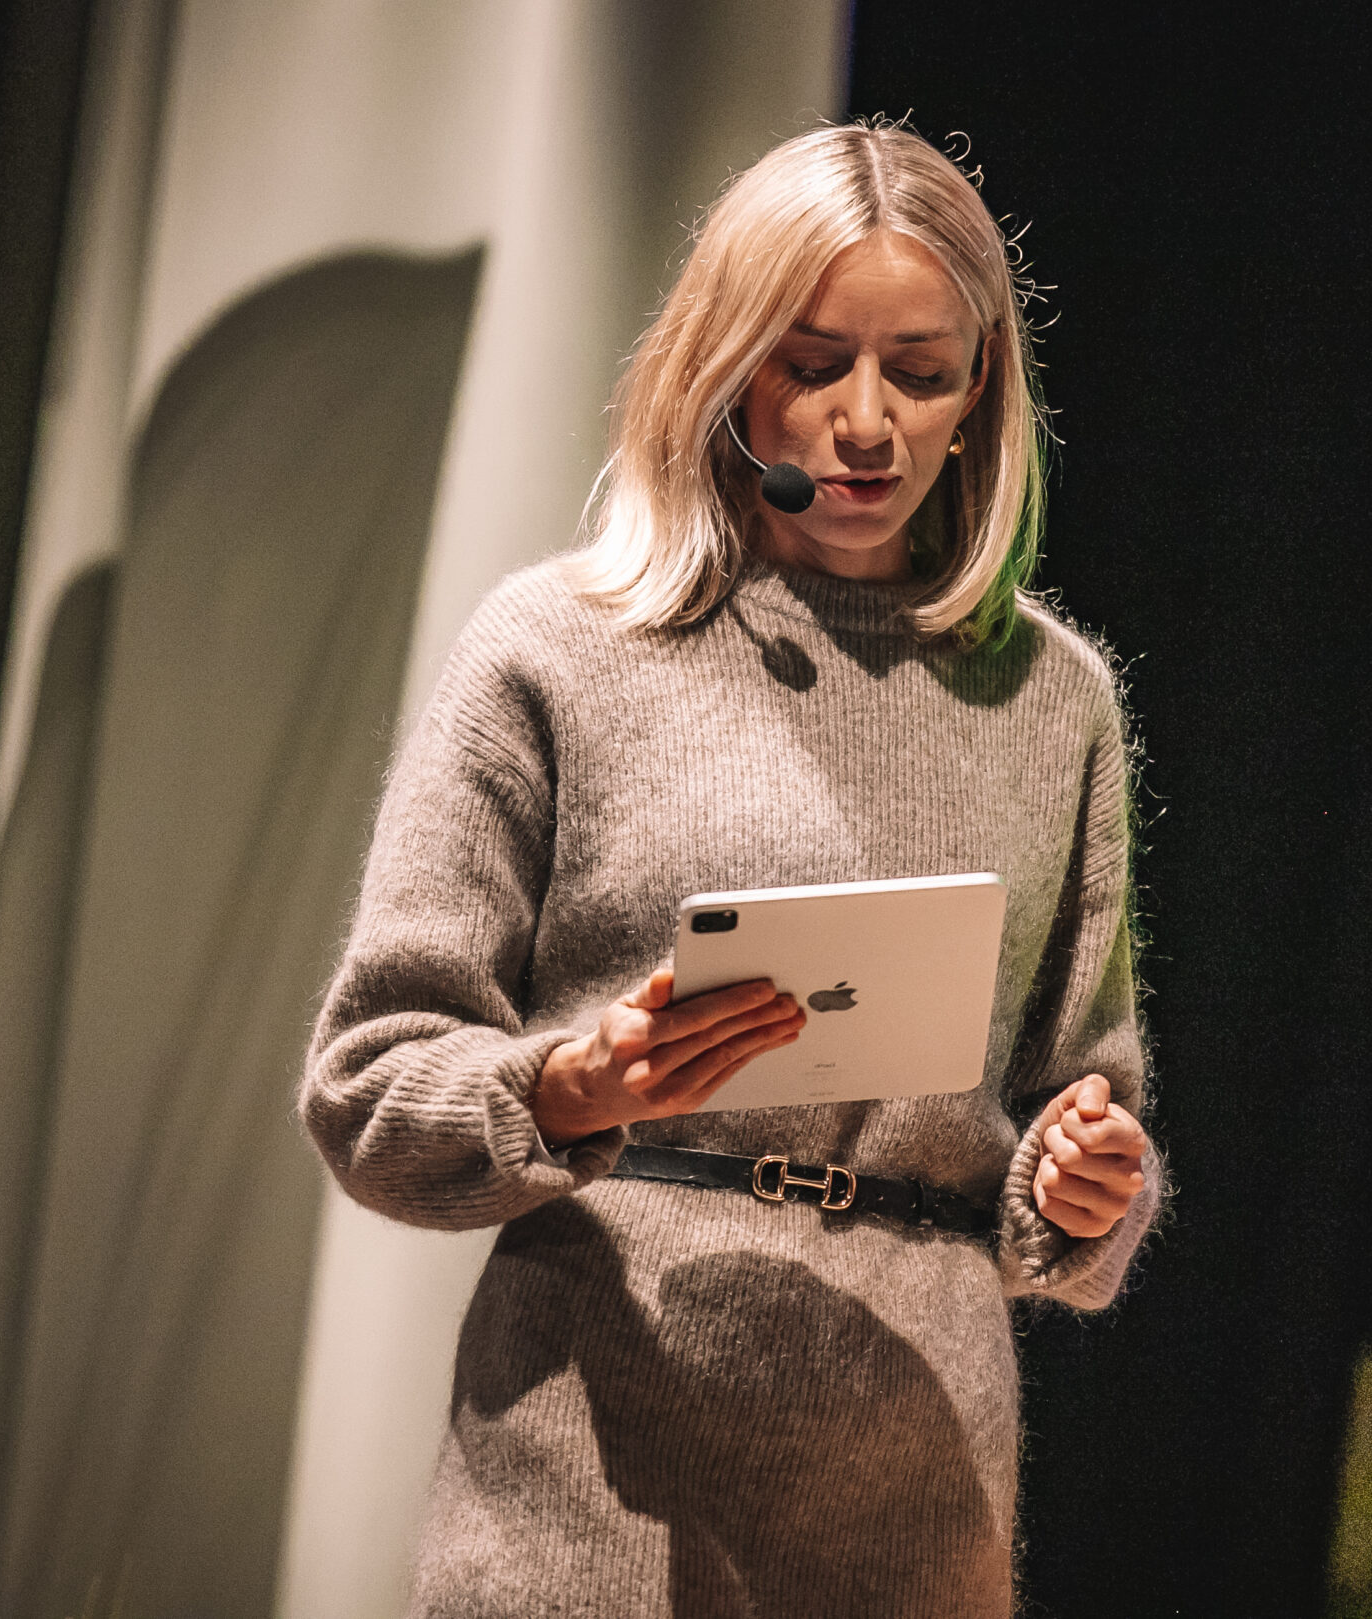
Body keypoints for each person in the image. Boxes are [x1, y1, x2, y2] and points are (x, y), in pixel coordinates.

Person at [299, 121, 1164, 1618]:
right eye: (815, 362)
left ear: (981, 396)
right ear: (727, 367)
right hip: (591, 1477)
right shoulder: (561, 650)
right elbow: (370, 1088)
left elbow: (1075, 1126)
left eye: (921, 372)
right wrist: (571, 1089)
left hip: (913, 1501)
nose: (867, 422)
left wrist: (1084, 1184)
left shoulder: (1054, 702)